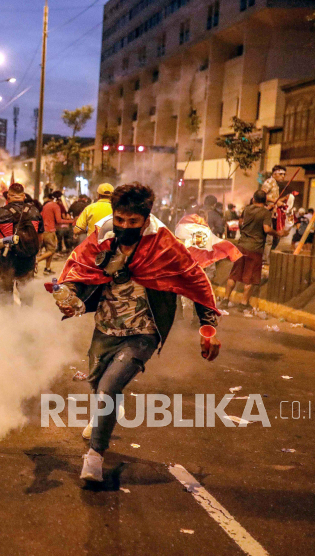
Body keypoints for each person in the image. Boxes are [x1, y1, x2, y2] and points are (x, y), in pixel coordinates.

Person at [50, 183, 220, 482]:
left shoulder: (164, 244)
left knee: (109, 387)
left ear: (145, 219)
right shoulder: (103, 235)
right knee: (97, 382)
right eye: (120, 220)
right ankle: (101, 417)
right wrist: (69, 295)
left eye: (132, 222)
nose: (124, 226)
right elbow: (78, 268)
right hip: (105, 327)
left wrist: (208, 327)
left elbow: (195, 280)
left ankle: (94, 457)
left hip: (144, 331)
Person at [221, 190, 285, 312]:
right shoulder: (265, 213)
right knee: (249, 278)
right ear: (265, 200)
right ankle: (244, 303)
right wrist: (277, 233)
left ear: (254, 199)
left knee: (234, 274)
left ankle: (225, 300)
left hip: (241, 246)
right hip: (255, 248)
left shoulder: (247, 209)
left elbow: (241, 222)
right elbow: (266, 229)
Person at [0, 183, 44, 306]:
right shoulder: (34, 211)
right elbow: (40, 237)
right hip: (28, 257)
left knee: (6, 290)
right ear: (23, 196)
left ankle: (8, 320)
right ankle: (26, 319)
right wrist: (34, 253)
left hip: (8, 256)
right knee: (26, 290)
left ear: (9, 196)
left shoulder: (1, 212)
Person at [39, 191, 73, 275]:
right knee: (52, 250)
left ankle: (47, 268)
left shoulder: (46, 205)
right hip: (50, 231)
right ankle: (37, 260)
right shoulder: (55, 206)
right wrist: (71, 221)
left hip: (43, 230)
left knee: (48, 250)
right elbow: (59, 220)